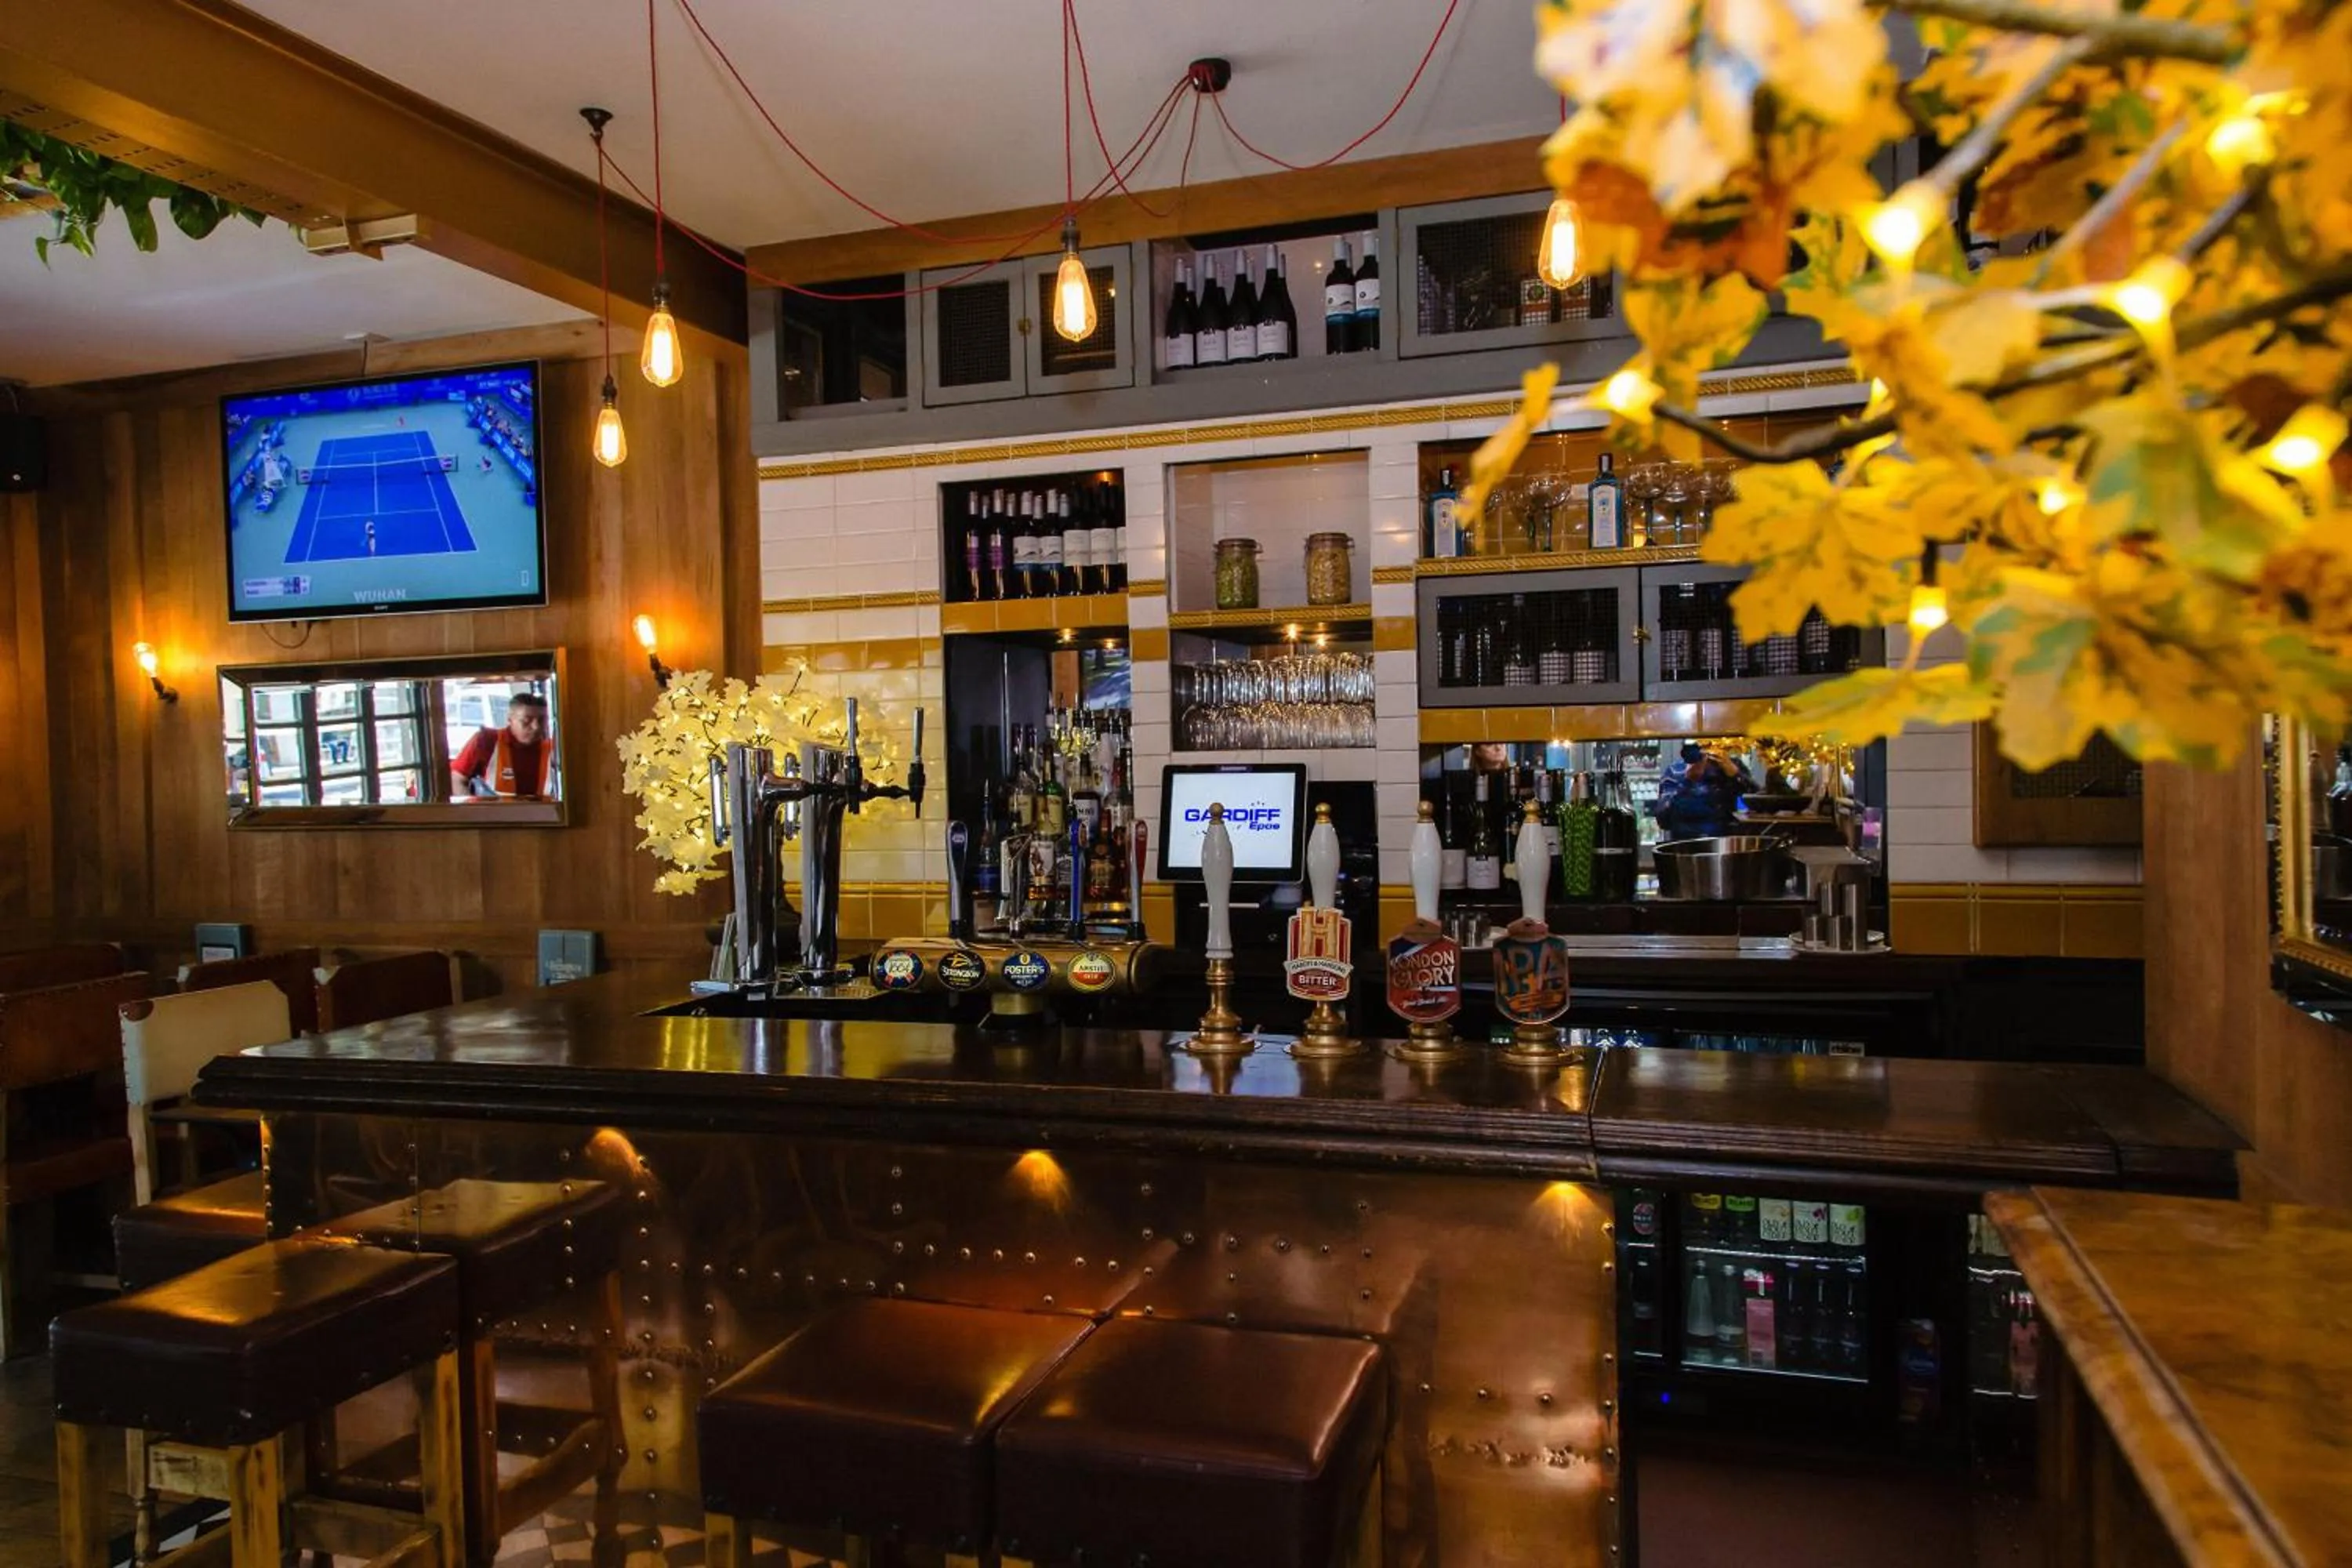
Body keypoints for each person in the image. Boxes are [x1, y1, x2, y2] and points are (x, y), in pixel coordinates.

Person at [451, 692, 554, 800]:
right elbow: (457, 779)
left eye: (542, 721)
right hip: (493, 814)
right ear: (510, 720)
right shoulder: (487, 741)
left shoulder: (555, 749)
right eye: (526, 721)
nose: (536, 727)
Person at [1651, 743, 1755, 839]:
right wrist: (1687, 782)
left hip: (1724, 843)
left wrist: (1736, 775)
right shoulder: (1676, 771)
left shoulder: (1729, 768)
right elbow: (1663, 818)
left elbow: (1757, 804)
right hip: (1685, 845)